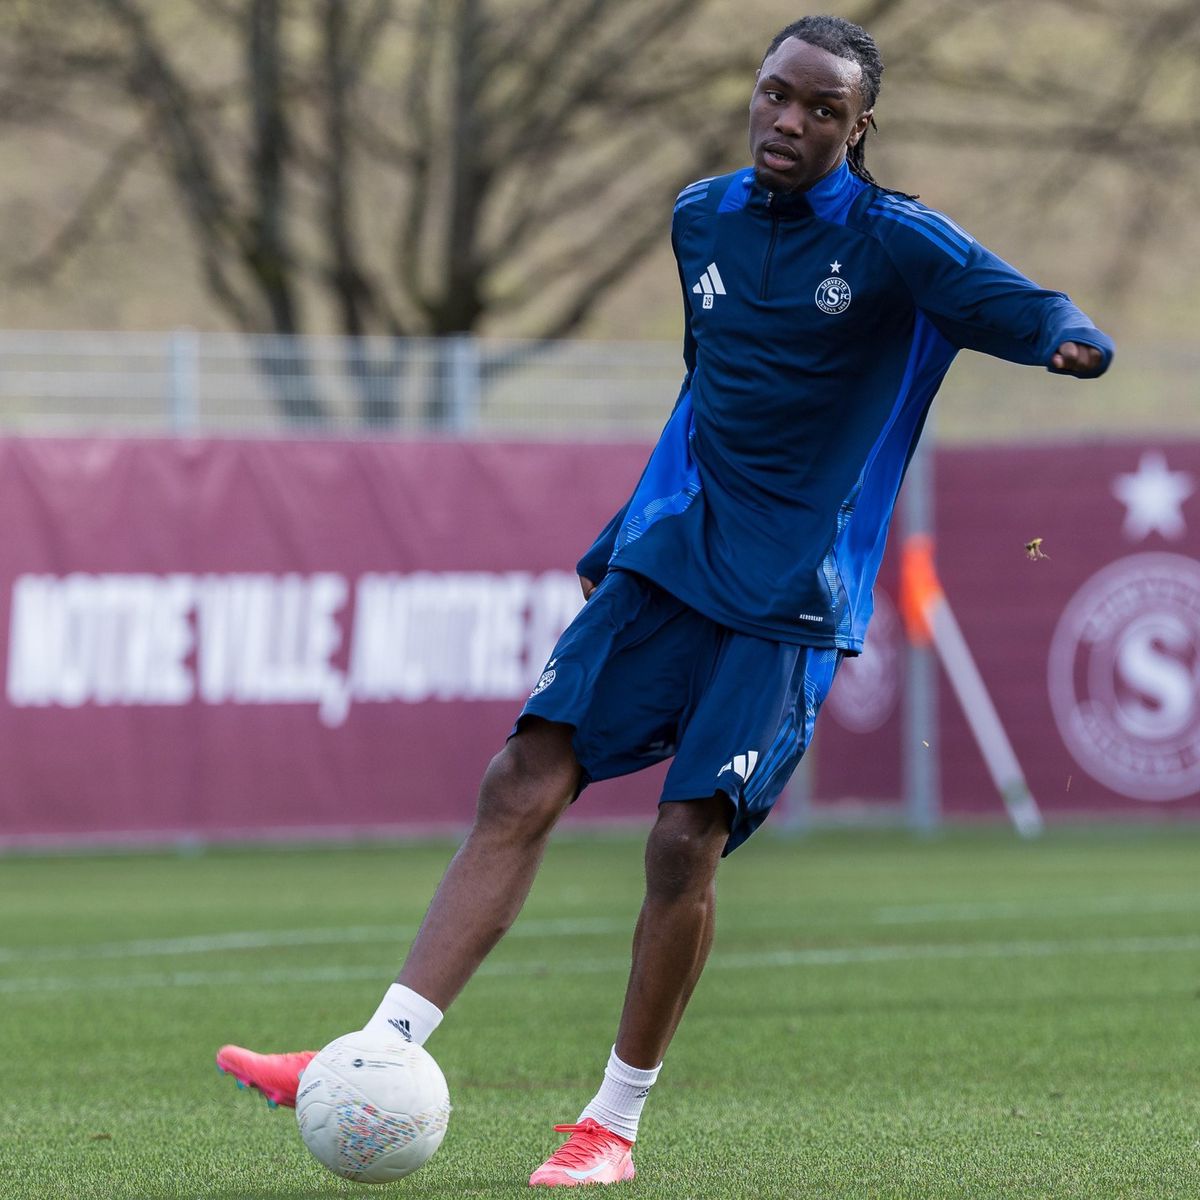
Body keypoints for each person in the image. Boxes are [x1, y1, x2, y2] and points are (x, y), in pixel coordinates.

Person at [216, 14, 1112, 1187]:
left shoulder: (897, 242)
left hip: (793, 588)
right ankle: (376, 1049)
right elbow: (706, 386)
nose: (789, 120)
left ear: (859, 127)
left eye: (823, 108)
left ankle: (612, 1125)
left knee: (685, 841)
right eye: (776, 93)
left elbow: (1023, 301)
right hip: (673, 552)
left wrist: (1068, 340)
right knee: (522, 775)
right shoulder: (700, 218)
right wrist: (621, 530)